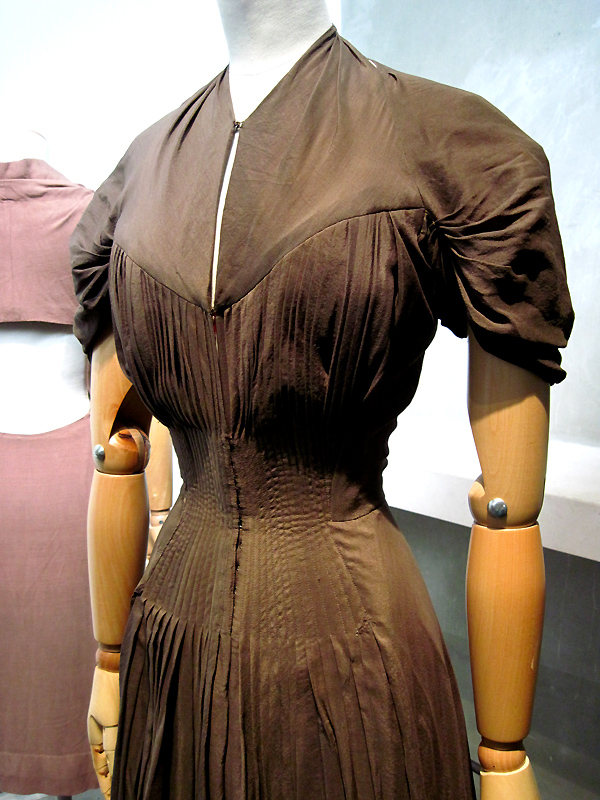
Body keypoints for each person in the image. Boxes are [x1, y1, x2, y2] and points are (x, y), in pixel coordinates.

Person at [71, 1, 573, 798]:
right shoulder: (137, 175)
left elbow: (509, 511)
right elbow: (115, 459)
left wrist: (503, 757)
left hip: (354, 666)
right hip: (168, 649)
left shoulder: (444, 145)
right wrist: (109, 664)